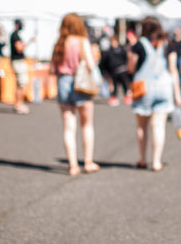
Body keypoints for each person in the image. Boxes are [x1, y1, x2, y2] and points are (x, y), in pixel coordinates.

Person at [50, 14, 100, 176]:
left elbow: (52, 69)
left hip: (63, 82)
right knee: (86, 125)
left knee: (68, 127)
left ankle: (73, 165)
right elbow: (91, 65)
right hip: (81, 83)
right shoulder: (81, 41)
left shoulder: (59, 43)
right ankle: (88, 161)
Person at [128, 17, 174, 171]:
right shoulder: (166, 44)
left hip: (144, 89)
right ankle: (156, 161)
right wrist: (177, 94)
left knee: (142, 126)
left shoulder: (139, 45)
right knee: (158, 126)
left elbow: (131, 68)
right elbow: (173, 69)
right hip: (164, 87)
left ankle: (142, 159)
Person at [10, 19, 35, 114]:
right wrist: (29, 42)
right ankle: (19, 104)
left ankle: (18, 104)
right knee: (22, 83)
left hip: (17, 61)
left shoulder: (15, 35)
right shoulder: (15, 36)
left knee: (19, 83)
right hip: (18, 62)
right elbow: (19, 48)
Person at [101, 35, 132, 106]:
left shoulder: (122, 49)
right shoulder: (109, 51)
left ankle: (127, 96)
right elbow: (105, 62)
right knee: (114, 85)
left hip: (122, 70)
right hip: (113, 71)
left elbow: (126, 58)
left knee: (125, 84)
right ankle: (114, 97)